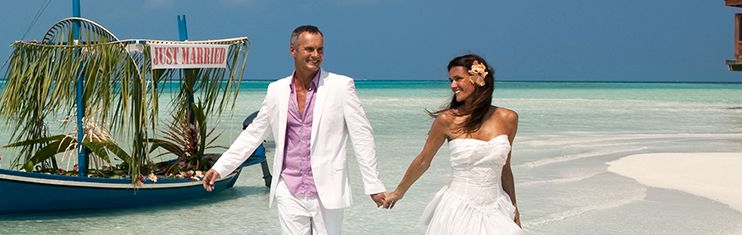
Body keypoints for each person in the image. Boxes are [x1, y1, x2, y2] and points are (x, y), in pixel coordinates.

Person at [203, 25, 388, 235]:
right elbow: (255, 133)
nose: (316, 55)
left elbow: (362, 135)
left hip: (327, 190)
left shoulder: (341, 87)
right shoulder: (276, 90)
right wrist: (221, 167)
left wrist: (373, 184)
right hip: (288, 188)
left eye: (320, 50)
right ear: (293, 51)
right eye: (309, 49)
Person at [379, 54, 521, 234]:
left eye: (458, 79)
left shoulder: (508, 118)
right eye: (451, 80)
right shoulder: (447, 120)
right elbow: (423, 160)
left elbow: (505, 168)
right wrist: (398, 193)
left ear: (478, 79)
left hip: (497, 208)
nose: (453, 85)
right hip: (459, 209)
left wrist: (514, 207)